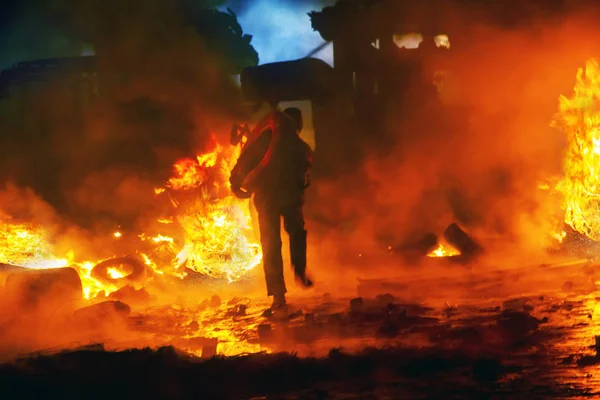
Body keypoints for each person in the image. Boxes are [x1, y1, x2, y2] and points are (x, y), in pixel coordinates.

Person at [230, 107, 313, 310]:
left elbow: (246, 159)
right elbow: (305, 179)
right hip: (286, 197)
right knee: (294, 234)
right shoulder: (301, 148)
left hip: (270, 197)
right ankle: (298, 273)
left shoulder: (271, 139)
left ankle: (279, 296)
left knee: (271, 244)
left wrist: (236, 182)